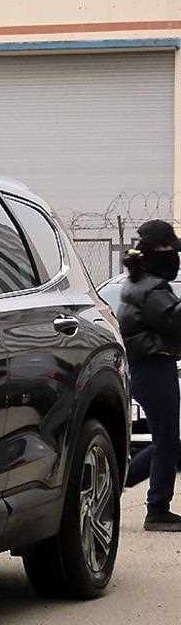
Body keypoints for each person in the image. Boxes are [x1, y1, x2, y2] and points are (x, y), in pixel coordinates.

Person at [118, 219, 181, 531]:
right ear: (159, 250)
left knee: (165, 439)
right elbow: (176, 321)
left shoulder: (137, 282)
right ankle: (157, 510)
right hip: (155, 368)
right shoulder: (153, 289)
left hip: (146, 368)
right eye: (171, 248)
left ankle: (115, 479)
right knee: (168, 440)